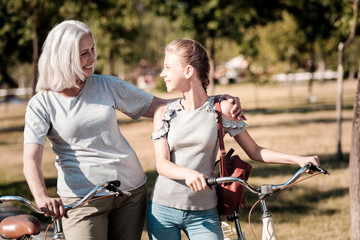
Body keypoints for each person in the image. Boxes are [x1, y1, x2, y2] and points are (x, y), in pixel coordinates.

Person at [22, 20, 244, 240]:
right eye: (83, 54)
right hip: (82, 200)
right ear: (63, 57)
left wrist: (215, 103)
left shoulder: (106, 85)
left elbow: (162, 105)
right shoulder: (41, 104)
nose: (92, 58)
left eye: (92, 49)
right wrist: (41, 197)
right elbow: (31, 158)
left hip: (130, 192)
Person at [146, 38, 320, 240]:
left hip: (204, 212)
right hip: (162, 210)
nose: (162, 74)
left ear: (188, 71)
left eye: (168, 67)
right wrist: (188, 174)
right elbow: (162, 164)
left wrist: (298, 159)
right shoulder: (163, 113)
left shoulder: (222, 109)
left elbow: (255, 151)